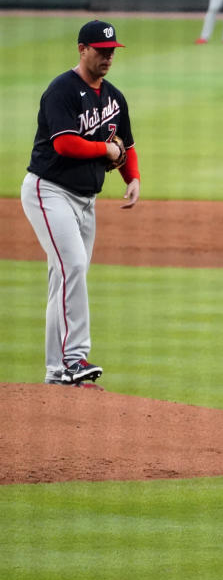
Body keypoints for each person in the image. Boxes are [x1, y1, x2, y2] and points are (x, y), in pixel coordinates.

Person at [20, 20, 141, 389]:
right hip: (48, 192)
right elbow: (65, 144)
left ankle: (56, 372)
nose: (107, 58)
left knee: (64, 278)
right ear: (82, 49)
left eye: (111, 52)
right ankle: (75, 359)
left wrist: (132, 177)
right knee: (72, 266)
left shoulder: (114, 97)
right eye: (100, 51)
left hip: (86, 201)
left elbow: (127, 143)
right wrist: (106, 149)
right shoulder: (62, 91)